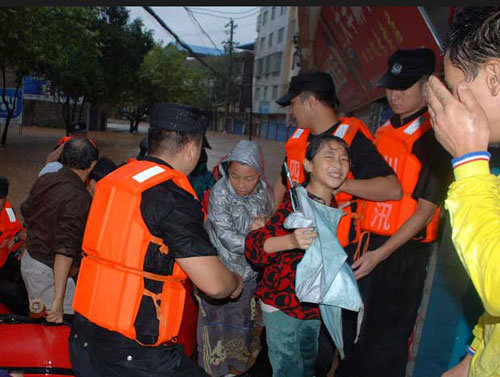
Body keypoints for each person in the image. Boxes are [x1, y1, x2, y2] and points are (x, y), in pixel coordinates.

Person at [69, 103, 244, 377]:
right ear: (191, 149)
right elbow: (214, 284)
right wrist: (234, 282)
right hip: (134, 356)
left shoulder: (115, 179)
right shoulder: (171, 196)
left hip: (84, 339)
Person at [274, 71, 401, 376]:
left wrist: (339, 183)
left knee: (327, 339)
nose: (291, 112)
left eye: (293, 104)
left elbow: (392, 189)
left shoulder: (351, 137)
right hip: (293, 250)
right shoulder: (297, 140)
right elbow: (283, 183)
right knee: (288, 332)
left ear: (310, 101)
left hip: (335, 253)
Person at [336, 48, 452, 377]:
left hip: (401, 254)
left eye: (404, 88)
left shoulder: (434, 138)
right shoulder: (384, 131)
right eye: (391, 87)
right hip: (366, 243)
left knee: (385, 340)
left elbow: (426, 211)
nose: (394, 95)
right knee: (353, 331)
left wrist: (381, 254)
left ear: (427, 87)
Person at [426, 7, 500, 377]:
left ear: (494, 77)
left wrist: (469, 160)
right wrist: (473, 359)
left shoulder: (477, 166)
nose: (450, 106)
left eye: (456, 90)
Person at [245, 135, 351, 377]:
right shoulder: (296, 203)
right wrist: (291, 241)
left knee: (305, 366)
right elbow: (254, 247)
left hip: (313, 307)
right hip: (282, 305)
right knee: (287, 370)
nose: (338, 163)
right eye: (329, 156)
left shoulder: (336, 207)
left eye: (344, 159)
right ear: (308, 165)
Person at [198, 140, 274, 377]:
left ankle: (235, 366)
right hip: (218, 270)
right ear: (227, 171)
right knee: (214, 321)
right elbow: (227, 236)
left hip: (249, 272)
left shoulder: (266, 194)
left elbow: (272, 225)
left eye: (249, 178)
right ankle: (212, 369)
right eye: (235, 176)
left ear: (259, 174)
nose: (241, 184)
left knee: (241, 320)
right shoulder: (219, 192)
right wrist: (259, 239)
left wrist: (264, 230)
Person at [20, 138, 98, 323]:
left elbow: (26, 209)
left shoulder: (47, 178)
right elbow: (64, 250)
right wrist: (58, 300)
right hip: (47, 271)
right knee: (63, 322)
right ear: (92, 165)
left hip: (30, 259)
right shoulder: (79, 197)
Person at [0, 175, 27, 315]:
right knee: (13, 293)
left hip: (3, 263)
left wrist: (25, 248)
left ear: (6, 198)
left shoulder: (8, 210)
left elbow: (19, 232)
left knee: (25, 279)